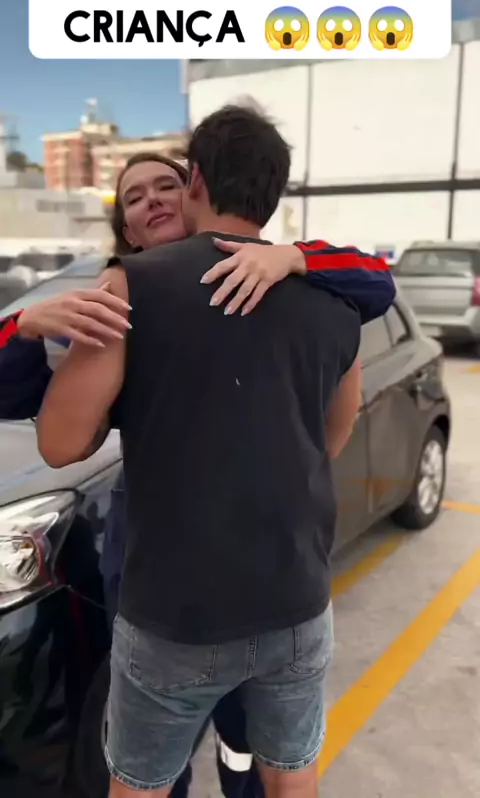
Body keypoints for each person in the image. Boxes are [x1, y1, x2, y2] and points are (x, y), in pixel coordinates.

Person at [0, 149, 394, 798]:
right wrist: (22, 326)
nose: (153, 199)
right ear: (127, 230)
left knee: (238, 748)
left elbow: (374, 280)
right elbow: (49, 424)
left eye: (167, 184)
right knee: (166, 753)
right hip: (165, 570)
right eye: (134, 197)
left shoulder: (282, 282)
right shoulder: (115, 302)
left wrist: (293, 258)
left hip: (267, 578)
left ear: (196, 196)